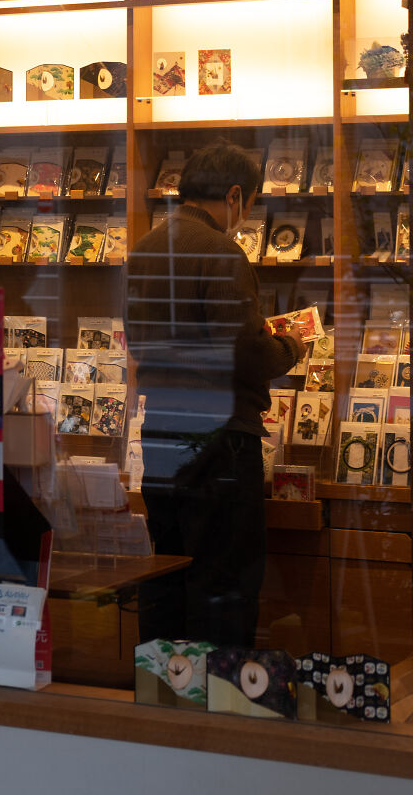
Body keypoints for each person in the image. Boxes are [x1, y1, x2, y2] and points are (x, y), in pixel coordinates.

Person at [125, 141, 303, 648]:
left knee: (167, 571)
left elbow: (138, 343)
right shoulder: (222, 252)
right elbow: (245, 354)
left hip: (159, 432)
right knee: (224, 581)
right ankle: (218, 708)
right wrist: (291, 345)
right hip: (221, 438)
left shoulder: (144, 249)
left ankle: (162, 695)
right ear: (235, 196)